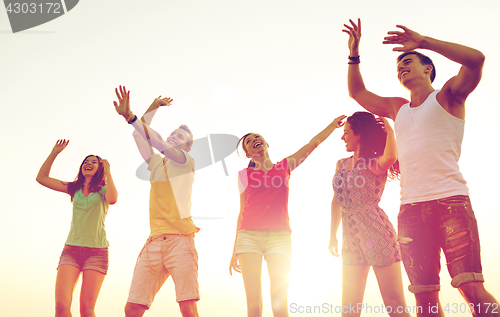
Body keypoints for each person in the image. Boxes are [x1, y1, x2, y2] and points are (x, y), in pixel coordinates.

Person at [343, 19, 498, 316]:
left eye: (408, 61)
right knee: (424, 301)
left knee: (471, 289)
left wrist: (424, 41)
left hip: (451, 202)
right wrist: (354, 54)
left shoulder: (448, 97)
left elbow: (476, 59)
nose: (401, 67)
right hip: (411, 211)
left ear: (428, 68)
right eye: (398, 66)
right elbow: (357, 93)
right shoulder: (397, 108)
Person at [229, 115, 346, 317]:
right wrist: (234, 251)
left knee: (279, 304)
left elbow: (313, 144)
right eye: (248, 141)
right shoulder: (243, 176)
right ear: (247, 153)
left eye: (257, 137)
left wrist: (332, 126)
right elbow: (241, 213)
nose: (254, 139)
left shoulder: (285, 166)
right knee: (254, 305)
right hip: (248, 238)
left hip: (280, 238)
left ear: (266, 143)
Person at [113, 85, 200, 317]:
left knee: (187, 306)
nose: (174, 136)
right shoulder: (155, 165)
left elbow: (158, 142)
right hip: (154, 243)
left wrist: (132, 117)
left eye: (180, 136)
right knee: (132, 307)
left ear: (187, 146)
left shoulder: (185, 161)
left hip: (181, 242)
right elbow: (139, 134)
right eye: (173, 133)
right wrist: (153, 106)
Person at [329, 112, 410, 317]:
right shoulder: (340, 164)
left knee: (394, 304)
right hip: (351, 239)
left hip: (377, 233)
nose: (342, 137)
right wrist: (332, 235)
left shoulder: (373, 162)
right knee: (349, 308)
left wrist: (389, 131)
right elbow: (336, 201)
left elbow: (391, 157)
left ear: (359, 134)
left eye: (346, 132)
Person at [36, 139, 118, 317]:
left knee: (86, 310)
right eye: (86, 162)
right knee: (61, 306)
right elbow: (41, 178)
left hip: (97, 252)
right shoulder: (74, 188)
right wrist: (54, 153)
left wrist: (109, 172)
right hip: (71, 251)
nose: (88, 163)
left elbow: (112, 199)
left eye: (93, 162)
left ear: (100, 169)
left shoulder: (103, 190)